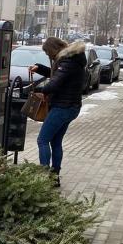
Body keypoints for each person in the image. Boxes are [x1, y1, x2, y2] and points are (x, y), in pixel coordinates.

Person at [29, 37, 86, 187]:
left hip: (63, 107)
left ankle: (45, 177)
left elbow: (55, 82)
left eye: (48, 53)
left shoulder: (68, 61)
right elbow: (58, 75)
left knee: (42, 140)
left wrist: (40, 90)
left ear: (53, 50)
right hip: (70, 107)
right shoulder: (71, 60)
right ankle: (54, 177)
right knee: (55, 141)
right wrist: (40, 68)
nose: (49, 56)